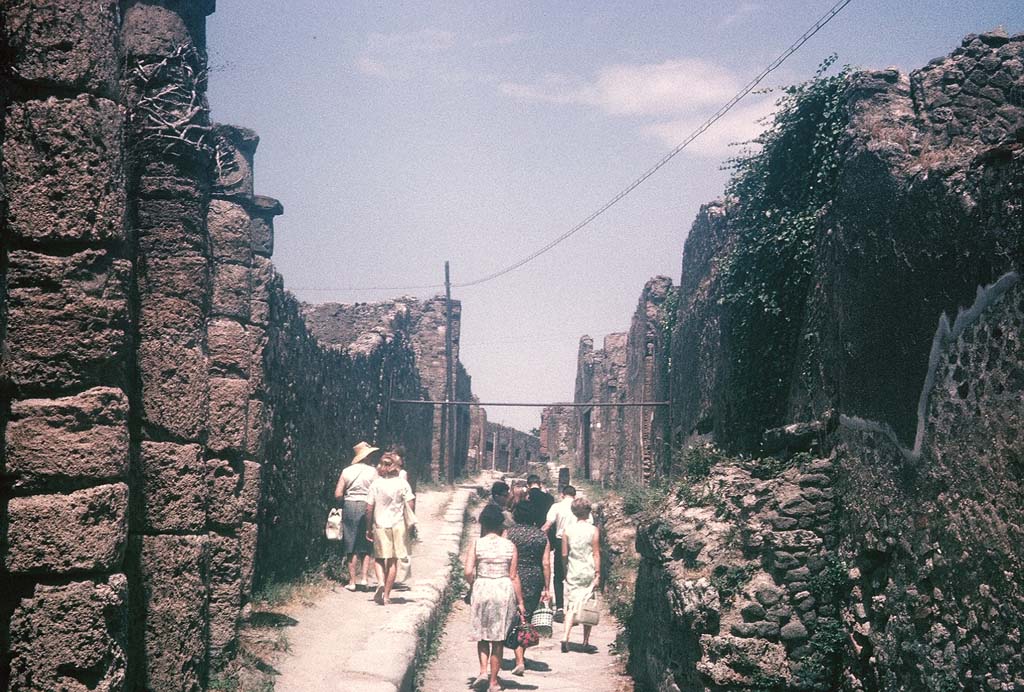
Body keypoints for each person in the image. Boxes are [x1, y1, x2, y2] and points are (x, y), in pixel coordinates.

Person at [464, 504, 526, 692]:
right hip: (503, 589)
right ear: (500, 524)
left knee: (482, 634)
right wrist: (521, 602)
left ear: (483, 523)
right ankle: (493, 682)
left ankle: (482, 672)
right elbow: (514, 576)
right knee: (498, 638)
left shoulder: (476, 544)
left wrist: (473, 584)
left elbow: (467, 571)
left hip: (482, 586)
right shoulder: (509, 546)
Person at [505, 498, 551, 677]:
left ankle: (512, 657)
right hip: (534, 578)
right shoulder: (541, 536)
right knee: (526, 617)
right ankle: (520, 657)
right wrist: (547, 587)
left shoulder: (508, 533)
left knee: (511, 614)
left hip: (512, 576)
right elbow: (546, 563)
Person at [365, 453, 415, 605]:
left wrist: (368, 527)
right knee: (393, 561)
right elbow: (411, 503)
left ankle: (380, 581)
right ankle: (386, 596)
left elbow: (369, 508)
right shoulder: (402, 484)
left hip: (380, 524)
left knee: (379, 558)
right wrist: (409, 520)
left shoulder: (376, 484)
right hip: (398, 524)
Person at [333, 441, 379, 591]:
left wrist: (344, 501)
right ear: (366, 457)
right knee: (366, 542)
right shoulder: (373, 472)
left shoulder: (347, 471)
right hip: (367, 505)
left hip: (350, 505)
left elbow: (338, 493)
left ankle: (352, 581)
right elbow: (377, 492)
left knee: (350, 542)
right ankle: (364, 579)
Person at [542, 484, 591, 620]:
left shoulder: (556, 507)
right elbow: (590, 523)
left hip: (560, 541)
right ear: (574, 496)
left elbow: (548, 525)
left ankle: (560, 608)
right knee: (577, 573)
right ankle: (575, 606)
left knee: (559, 576)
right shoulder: (580, 507)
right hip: (579, 541)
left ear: (562, 494)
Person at [560, 497, 600, 653]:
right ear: (588, 512)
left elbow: (564, 554)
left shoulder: (568, 530)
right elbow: (596, 553)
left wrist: (565, 569)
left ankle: (565, 636)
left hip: (573, 569)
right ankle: (585, 641)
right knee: (588, 603)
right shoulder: (593, 530)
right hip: (588, 569)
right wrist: (598, 574)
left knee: (571, 605)